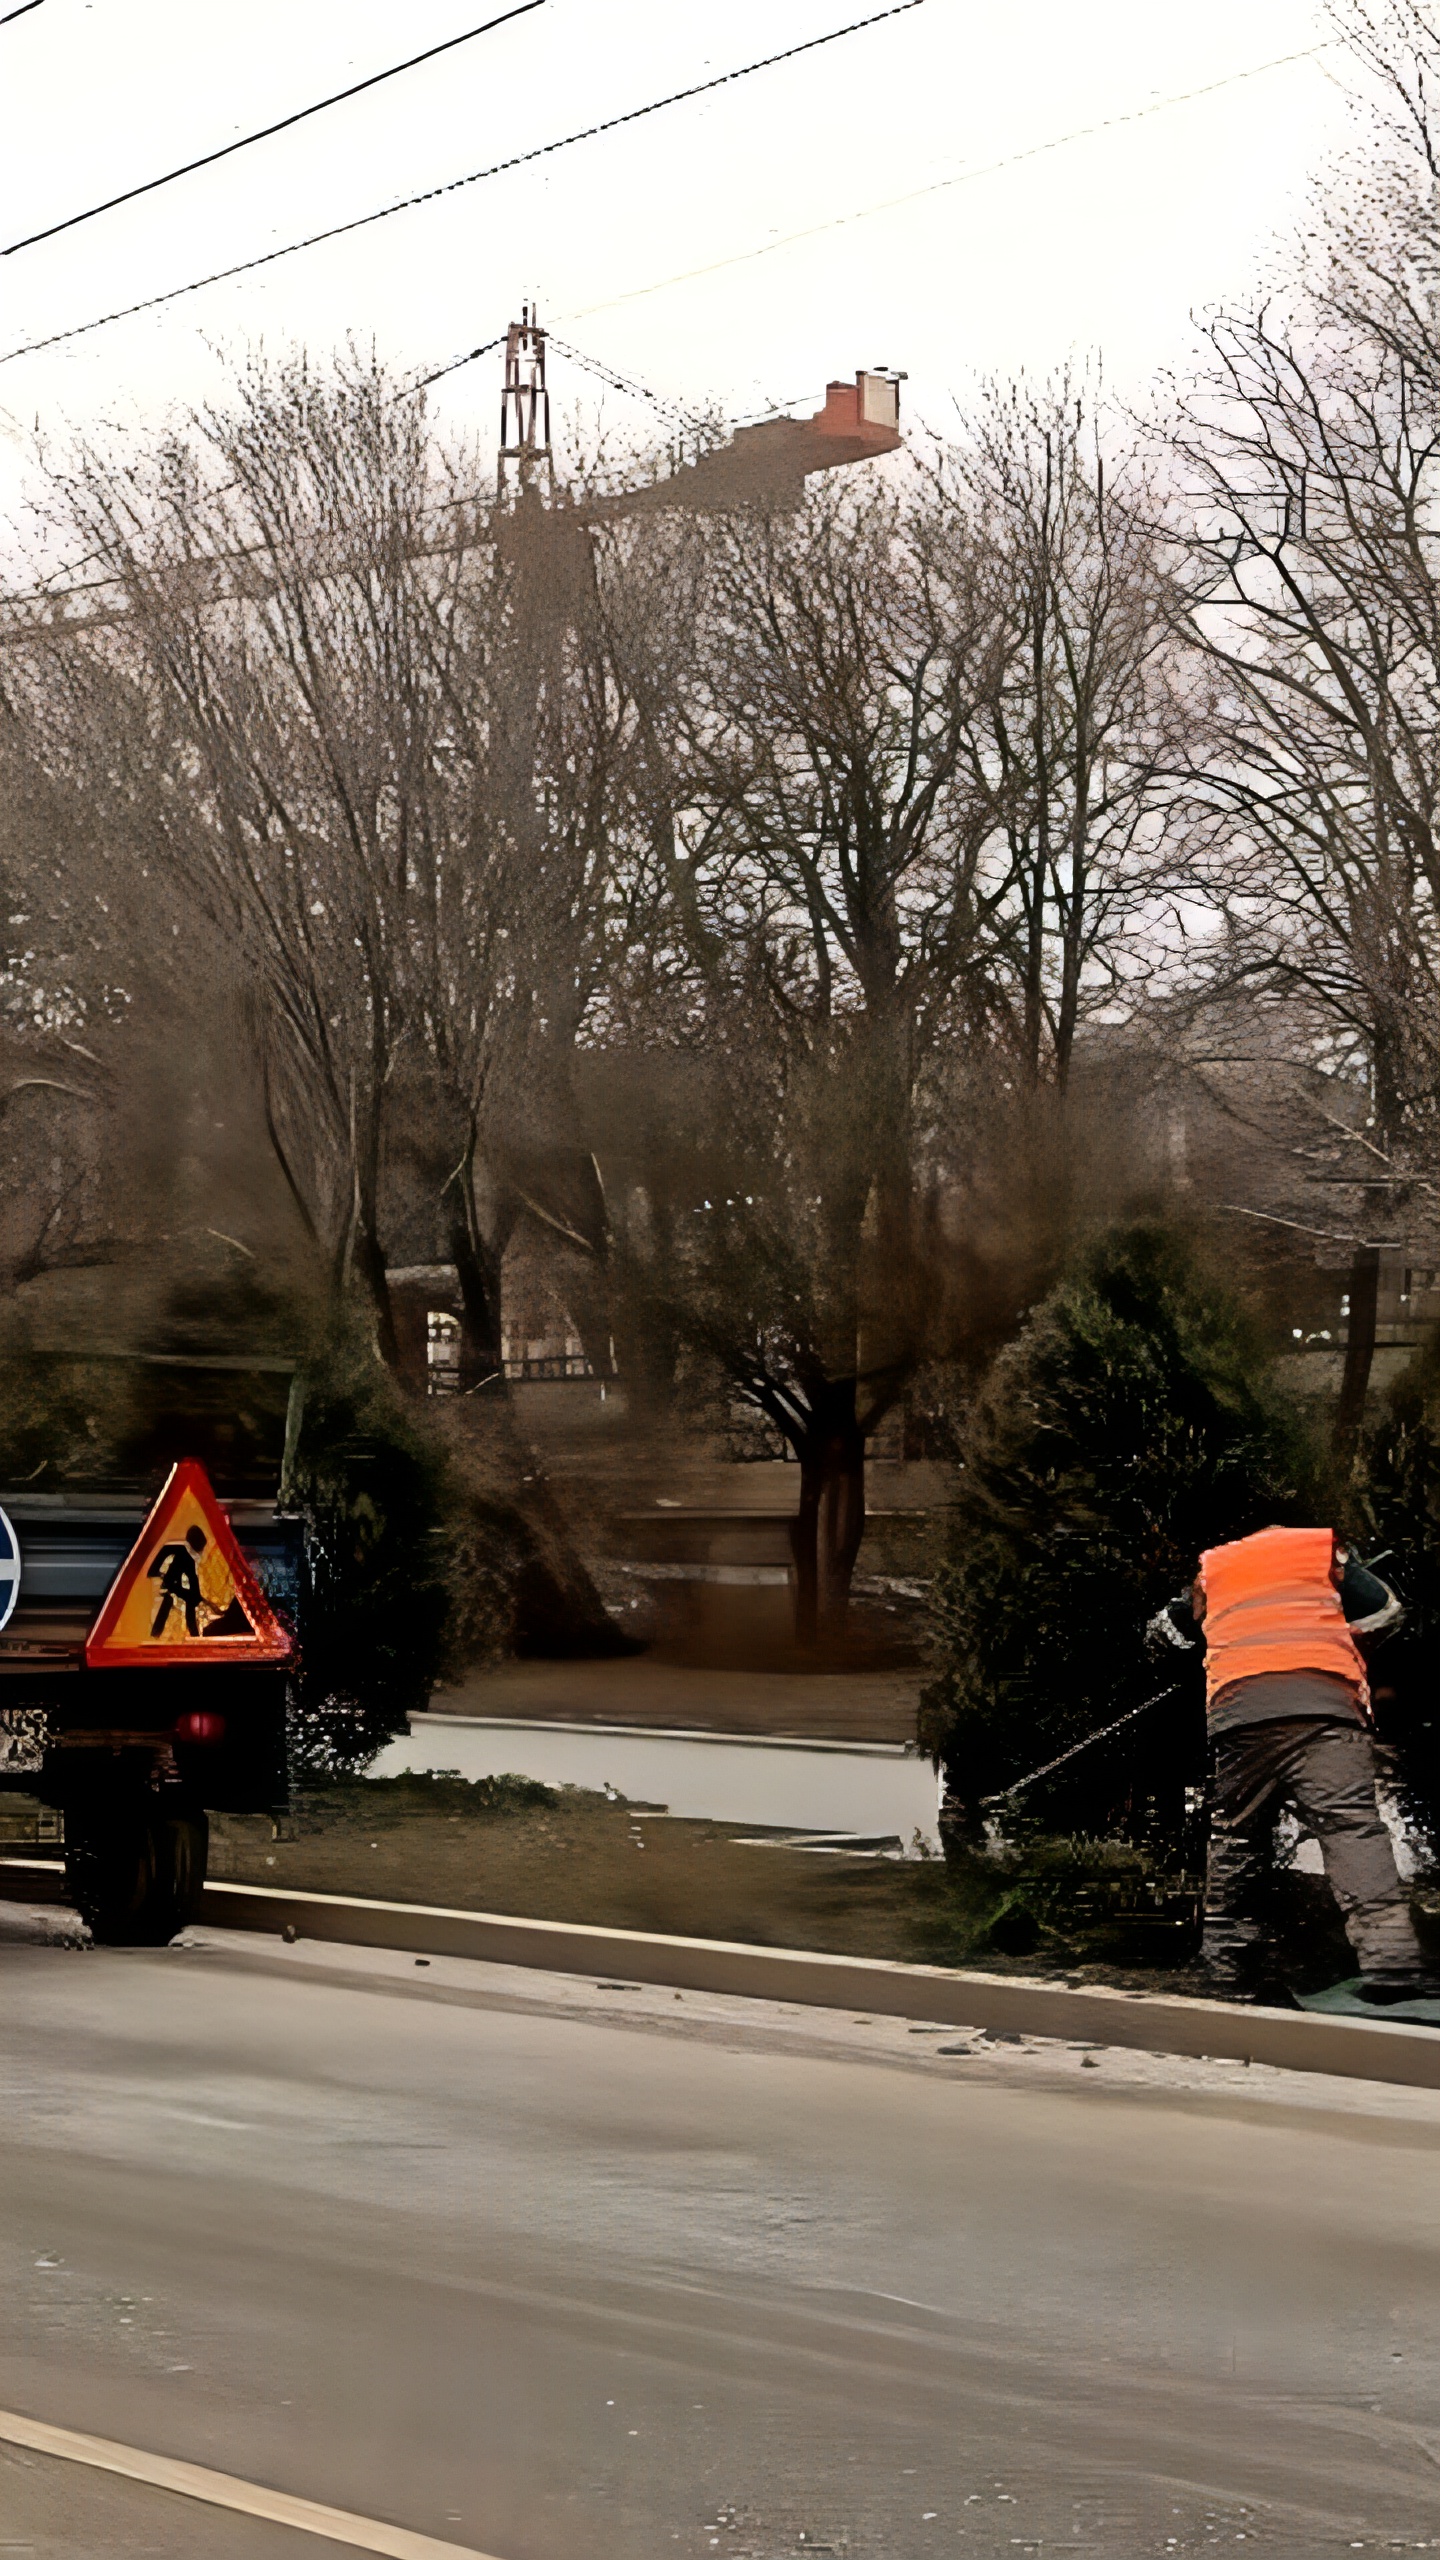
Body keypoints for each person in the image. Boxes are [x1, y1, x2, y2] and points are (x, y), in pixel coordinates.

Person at [1148, 1523, 1436, 2006]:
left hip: (1242, 1712)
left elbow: (1164, 1634)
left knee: (1236, 1839)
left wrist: (1207, 1647)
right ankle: (1392, 1965)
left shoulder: (1214, 1567)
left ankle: (1223, 1970)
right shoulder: (1322, 1553)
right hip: (1326, 1704)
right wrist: (1343, 1638)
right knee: (1353, 1831)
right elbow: (1388, 1613)